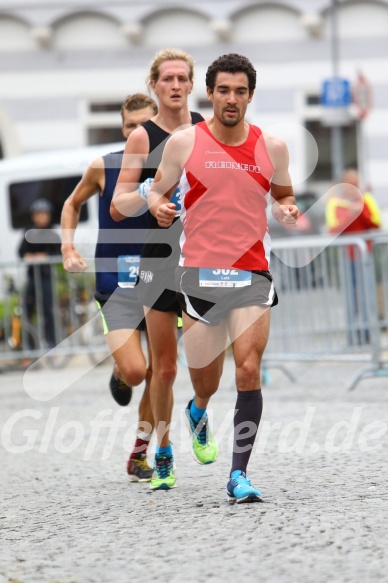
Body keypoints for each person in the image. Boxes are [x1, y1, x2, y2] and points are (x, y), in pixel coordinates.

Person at [147, 53, 299, 502]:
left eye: (240, 91)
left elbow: (284, 193)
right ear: (209, 93)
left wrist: (286, 208)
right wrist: (158, 206)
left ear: (250, 95)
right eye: (223, 90)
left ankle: (238, 475)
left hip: (252, 271)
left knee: (249, 369)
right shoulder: (184, 143)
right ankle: (197, 410)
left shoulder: (271, 147)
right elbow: (157, 189)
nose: (232, 99)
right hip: (199, 277)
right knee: (206, 382)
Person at [111, 48, 204, 491]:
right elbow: (118, 203)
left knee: (206, 362)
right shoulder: (142, 139)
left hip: (203, 255)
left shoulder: (207, 129)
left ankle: (200, 409)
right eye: (166, 78)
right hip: (158, 258)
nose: (174, 85)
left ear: (190, 84)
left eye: (181, 78)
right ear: (155, 85)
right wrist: (149, 192)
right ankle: (162, 451)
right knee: (164, 368)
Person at [61, 93, 157, 482]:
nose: (136, 131)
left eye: (143, 124)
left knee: (161, 372)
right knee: (136, 371)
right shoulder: (104, 166)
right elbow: (71, 204)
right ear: (122, 129)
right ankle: (119, 372)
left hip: (161, 280)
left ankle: (139, 454)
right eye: (129, 125)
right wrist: (68, 247)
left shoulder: (173, 165)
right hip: (115, 284)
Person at [325, 167, 382, 345]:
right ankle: (352, 335)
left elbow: (376, 223)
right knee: (350, 297)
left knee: (367, 295)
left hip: (365, 255)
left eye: (354, 182)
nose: (352, 186)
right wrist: (349, 215)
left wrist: (361, 209)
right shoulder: (336, 203)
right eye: (348, 182)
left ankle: (367, 334)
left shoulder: (367, 199)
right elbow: (333, 229)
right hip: (347, 255)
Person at [18, 198, 61, 349]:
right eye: (39, 214)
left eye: (44, 214)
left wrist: (44, 257)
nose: (42, 217)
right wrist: (31, 257)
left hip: (46, 277)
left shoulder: (53, 233)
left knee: (48, 310)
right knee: (27, 308)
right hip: (32, 277)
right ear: (34, 216)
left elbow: (57, 253)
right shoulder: (29, 232)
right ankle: (29, 344)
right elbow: (21, 252)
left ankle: (51, 342)